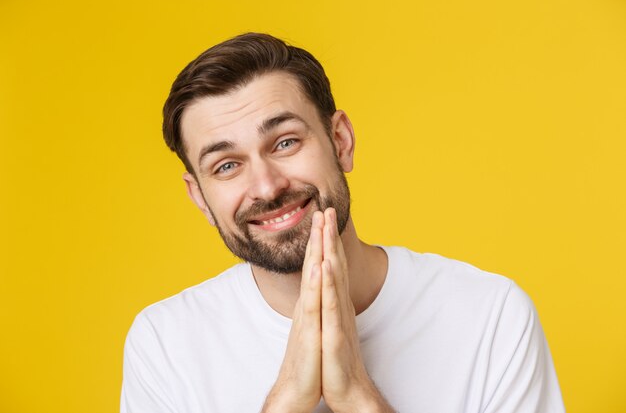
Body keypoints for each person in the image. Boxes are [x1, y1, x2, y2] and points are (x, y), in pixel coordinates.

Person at [121, 33, 565, 413]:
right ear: (199, 196)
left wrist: (357, 395)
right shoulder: (165, 344)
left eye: (285, 142)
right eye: (226, 166)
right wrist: (288, 397)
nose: (266, 186)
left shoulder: (491, 316)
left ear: (341, 141)